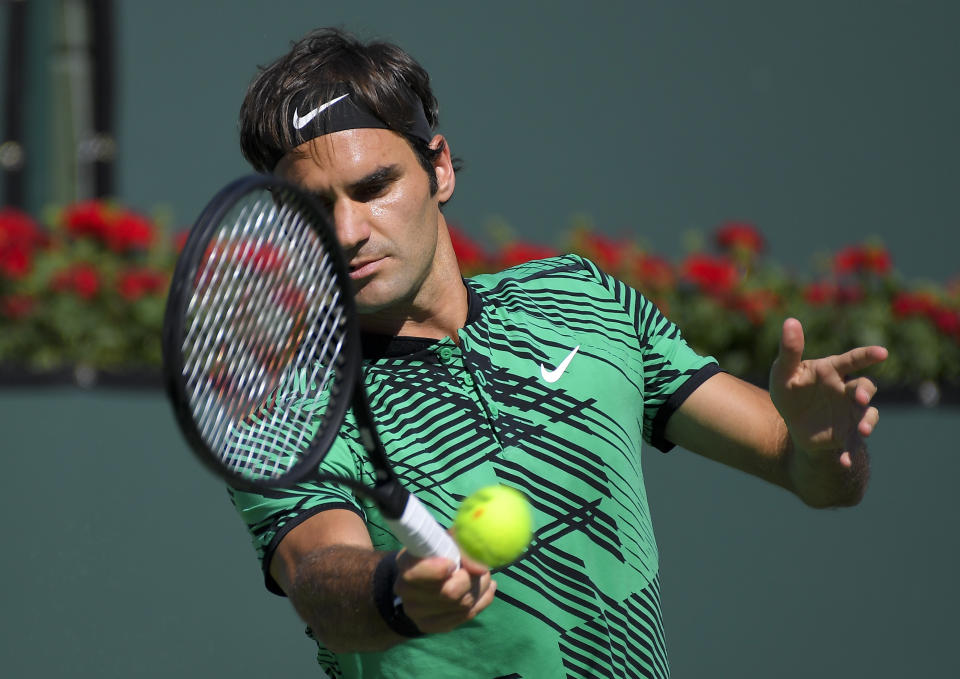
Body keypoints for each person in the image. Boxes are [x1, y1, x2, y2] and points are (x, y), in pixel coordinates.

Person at [229, 27, 886, 679]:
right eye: (316, 206)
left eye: (373, 188)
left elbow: (812, 475)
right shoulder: (284, 404)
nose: (347, 231)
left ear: (440, 167)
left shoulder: (583, 298)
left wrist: (826, 448)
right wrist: (395, 592)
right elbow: (317, 578)